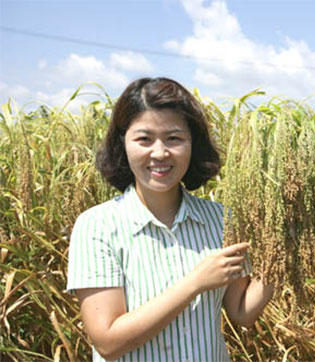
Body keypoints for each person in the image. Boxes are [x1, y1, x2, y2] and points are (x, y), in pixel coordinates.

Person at [67, 77, 274, 361]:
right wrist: (195, 283)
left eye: (174, 138)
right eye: (144, 139)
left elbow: (242, 312)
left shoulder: (221, 219)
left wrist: (289, 237)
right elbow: (108, 341)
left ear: (193, 144)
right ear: (122, 143)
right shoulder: (97, 226)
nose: (160, 153)